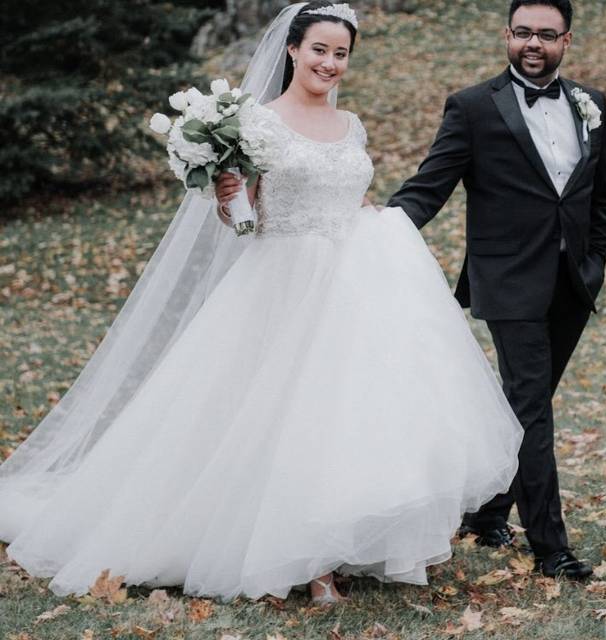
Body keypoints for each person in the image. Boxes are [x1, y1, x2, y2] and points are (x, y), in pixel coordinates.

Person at [0, 1, 523, 604]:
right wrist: (229, 197)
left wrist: (375, 225)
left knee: (349, 416)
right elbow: (243, 223)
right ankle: (303, 559)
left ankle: (340, 540)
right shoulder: (257, 124)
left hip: (358, 280)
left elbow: (351, 196)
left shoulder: (351, 125)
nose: (330, 62)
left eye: (341, 53)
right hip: (283, 279)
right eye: (319, 49)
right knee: (285, 415)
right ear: (293, 50)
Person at [385, 0, 606, 580]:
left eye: (546, 34)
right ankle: (551, 550)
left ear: (567, 40)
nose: (532, 43)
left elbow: (601, 194)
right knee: (534, 407)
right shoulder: (471, 107)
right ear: (506, 36)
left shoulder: (593, 105)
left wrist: (596, 260)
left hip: (573, 282)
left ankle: (487, 515)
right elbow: (429, 186)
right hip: (508, 279)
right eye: (522, 33)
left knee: (522, 406)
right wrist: (379, 229)